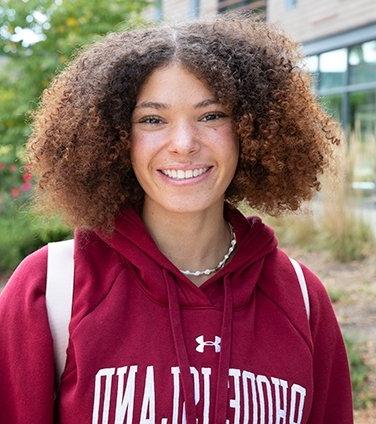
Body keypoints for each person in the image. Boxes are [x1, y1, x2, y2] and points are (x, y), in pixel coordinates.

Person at [0, 12, 353, 424]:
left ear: (250, 130)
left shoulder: (302, 299)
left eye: (211, 116)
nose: (184, 144)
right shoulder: (52, 288)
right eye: (152, 120)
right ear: (116, 138)